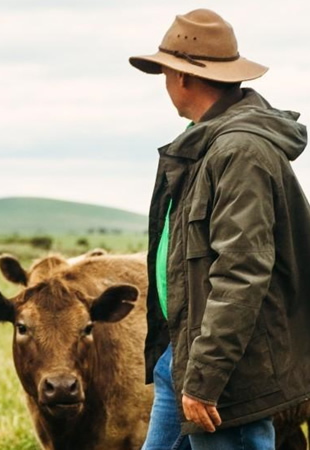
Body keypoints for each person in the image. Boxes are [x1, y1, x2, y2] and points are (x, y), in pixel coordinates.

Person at [129, 8, 310, 450]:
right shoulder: (204, 143)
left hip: (228, 374)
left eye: (166, 72)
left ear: (184, 77)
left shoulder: (239, 151)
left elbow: (242, 272)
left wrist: (207, 377)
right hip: (185, 355)